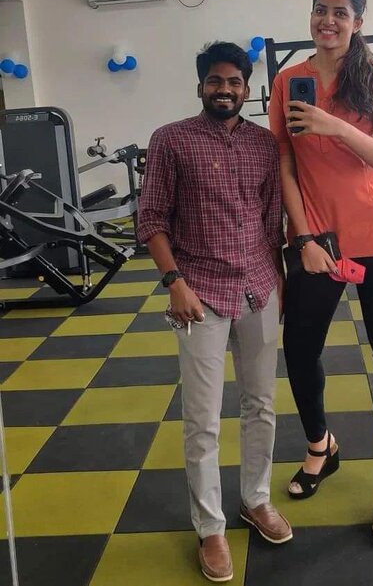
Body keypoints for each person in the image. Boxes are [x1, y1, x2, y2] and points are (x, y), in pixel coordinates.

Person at [268, 0, 373, 542]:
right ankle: (320, 447)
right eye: (319, 10)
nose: (326, 21)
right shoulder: (288, 81)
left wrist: (332, 125)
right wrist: (304, 237)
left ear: (357, 23)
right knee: (299, 347)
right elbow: (284, 162)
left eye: (339, 12)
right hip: (319, 240)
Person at [137, 41, 292, 583]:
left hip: (258, 288)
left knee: (261, 405)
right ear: (200, 85)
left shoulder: (264, 144)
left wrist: (280, 282)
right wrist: (174, 282)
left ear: (247, 90)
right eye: (215, 81)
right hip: (197, 291)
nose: (224, 90)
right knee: (202, 418)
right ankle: (210, 527)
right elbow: (151, 219)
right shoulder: (171, 140)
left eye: (234, 83)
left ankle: (256, 499)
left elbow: (272, 221)